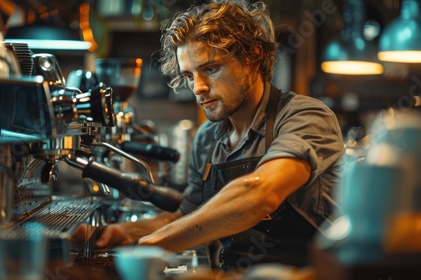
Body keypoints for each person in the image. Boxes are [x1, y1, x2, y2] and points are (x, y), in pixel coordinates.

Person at [85, 0, 344, 272]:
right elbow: (189, 215)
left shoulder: (305, 117)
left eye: (210, 69)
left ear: (253, 57)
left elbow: (259, 194)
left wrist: (158, 243)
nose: (198, 88)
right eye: (188, 75)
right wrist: (125, 232)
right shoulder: (208, 137)